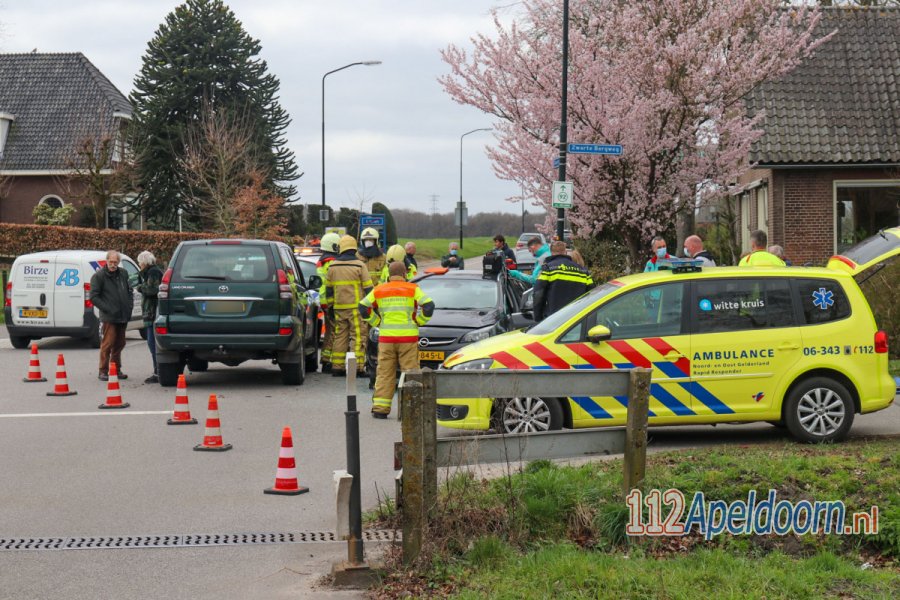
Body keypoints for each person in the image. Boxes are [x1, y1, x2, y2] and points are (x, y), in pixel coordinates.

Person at [359, 261, 434, 418]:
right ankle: (411, 411)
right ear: (404, 274)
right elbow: (429, 306)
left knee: (385, 373)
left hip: (387, 339)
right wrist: (419, 321)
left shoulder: (379, 289)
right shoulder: (413, 289)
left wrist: (377, 322)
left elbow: (363, 307)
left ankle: (380, 409)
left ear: (389, 274)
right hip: (408, 338)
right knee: (411, 373)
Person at [325, 235, 372, 377]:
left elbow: (328, 290)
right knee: (358, 337)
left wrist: (330, 307)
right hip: (357, 309)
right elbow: (369, 289)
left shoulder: (332, 266)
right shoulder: (359, 265)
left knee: (340, 336)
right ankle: (357, 368)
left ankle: (337, 367)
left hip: (339, 308)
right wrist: (370, 307)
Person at [90, 250, 134, 381]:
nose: (113, 264)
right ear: (107, 261)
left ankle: (116, 369)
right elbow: (93, 297)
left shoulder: (123, 273)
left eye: (115, 262)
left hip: (123, 314)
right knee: (108, 343)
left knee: (120, 343)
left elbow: (129, 291)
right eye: (111, 262)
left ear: (119, 262)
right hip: (109, 317)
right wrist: (108, 309)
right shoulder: (99, 276)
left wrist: (129, 306)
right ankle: (103, 371)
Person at [533, 241, 594, 321]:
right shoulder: (583, 271)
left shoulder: (548, 269)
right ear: (565, 252)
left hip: (555, 319)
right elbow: (592, 294)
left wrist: (538, 317)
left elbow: (538, 294)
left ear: (551, 253)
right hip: (577, 319)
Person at [136, 251, 163, 383]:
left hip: (152, 313)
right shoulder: (150, 272)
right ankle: (157, 371)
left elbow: (153, 290)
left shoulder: (153, 272)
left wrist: (140, 287)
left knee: (152, 343)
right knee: (151, 343)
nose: (139, 265)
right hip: (150, 313)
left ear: (144, 262)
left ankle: (158, 372)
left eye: (140, 262)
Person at [316, 232, 341, 373]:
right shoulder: (331, 263)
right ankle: (328, 361)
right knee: (334, 332)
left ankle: (326, 359)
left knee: (330, 331)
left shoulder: (323, 262)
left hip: (325, 301)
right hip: (332, 301)